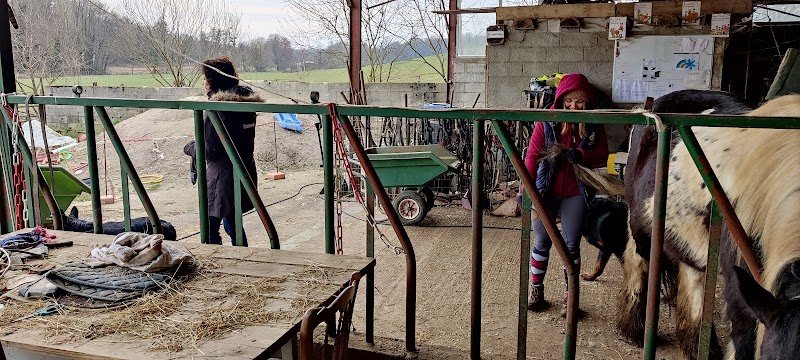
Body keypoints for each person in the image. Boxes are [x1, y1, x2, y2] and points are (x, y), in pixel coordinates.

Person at [523, 73, 609, 316]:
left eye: (580, 102)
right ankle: (536, 290)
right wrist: (527, 188)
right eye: (569, 101)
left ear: (587, 103)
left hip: (576, 191)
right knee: (541, 241)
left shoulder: (592, 124)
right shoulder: (547, 121)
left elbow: (602, 153)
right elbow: (532, 155)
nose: (574, 106)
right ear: (561, 100)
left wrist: (581, 156)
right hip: (545, 189)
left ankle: (570, 299)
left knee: (571, 245)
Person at [184, 56, 262, 246]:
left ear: (213, 81)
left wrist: (190, 147)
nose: (204, 83)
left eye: (206, 78)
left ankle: (218, 258)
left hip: (222, 177)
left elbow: (209, 149)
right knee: (232, 223)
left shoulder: (219, 109)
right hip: (242, 170)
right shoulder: (244, 104)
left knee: (211, 226)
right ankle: (243, 258)